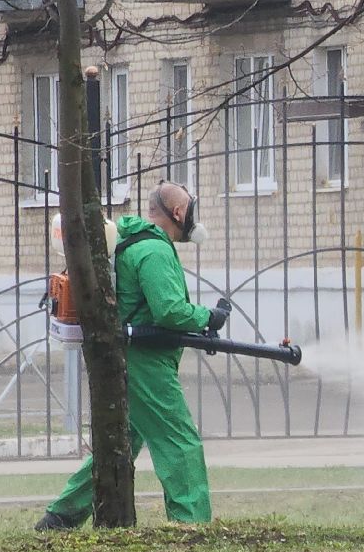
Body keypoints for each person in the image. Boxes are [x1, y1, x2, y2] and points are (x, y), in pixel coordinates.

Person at [35, 184, 228, 528]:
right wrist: (207, 317)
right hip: (146, 361)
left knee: (119, 442)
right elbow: (169, 311)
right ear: (179, 213)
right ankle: (193, 523)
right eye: (190, 209)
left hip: (127, 356)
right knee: (179, 441)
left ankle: (60, 516)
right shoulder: (153, 249)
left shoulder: (127, 240)